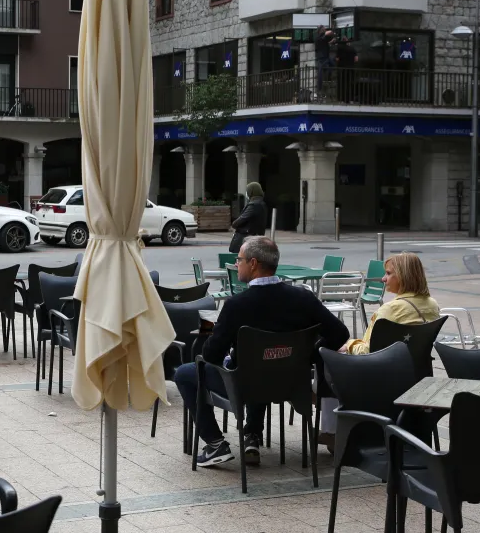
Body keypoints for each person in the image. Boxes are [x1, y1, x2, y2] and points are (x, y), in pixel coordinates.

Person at [175, 236, 350, 467]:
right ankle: (252, 435)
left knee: (186, 373)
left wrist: (215, 335)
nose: (236, 264)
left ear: (253, 263)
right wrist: (309, 350)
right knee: (260, 361)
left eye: (239, 260)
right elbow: (340, 334)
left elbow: (211, 357)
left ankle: (215, 444)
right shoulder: (303, 298)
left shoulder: (237, 305)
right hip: (291, 383)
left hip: (245, 386)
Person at [317, 252, 440, 452]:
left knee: (328, 358)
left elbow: (368, 350)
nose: (383, 278)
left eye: (389, 274)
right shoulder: (432, 305)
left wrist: (349, 345)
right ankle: (326, 411)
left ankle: (329, 422)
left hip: (379, 378)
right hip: (417, 376)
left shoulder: (389, 310)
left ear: (404, 276)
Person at [229, 182, 268, 253]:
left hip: (246, 237)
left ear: (252, 191)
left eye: (248, 191)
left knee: (241, 259)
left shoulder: (253, 205)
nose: (246, 193)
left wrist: (234, 224)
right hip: (254, 236)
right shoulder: (261, 203)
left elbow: (242, 218)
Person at [335, 37, 357, 102]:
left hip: (342, 69)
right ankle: (350, 99)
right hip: (351, 69)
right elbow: (356, 59)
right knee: (350, 84)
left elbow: (337, 59)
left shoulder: (340, 48)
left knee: (342, 84)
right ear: (347, 42)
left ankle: (341, 99)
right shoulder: (352, 49)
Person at [314, 26, 334, 98]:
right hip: (323, 57)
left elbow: (324, 43)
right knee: (321, 72)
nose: (325, 29)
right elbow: (328, 33)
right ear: (322, 30)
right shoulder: (321, 36)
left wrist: (331, 42)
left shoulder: (318, 39)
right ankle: (321, 87)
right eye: (324, 29)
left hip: (323, 57)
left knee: (331, 65)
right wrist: (332, 30)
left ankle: (328, 78)